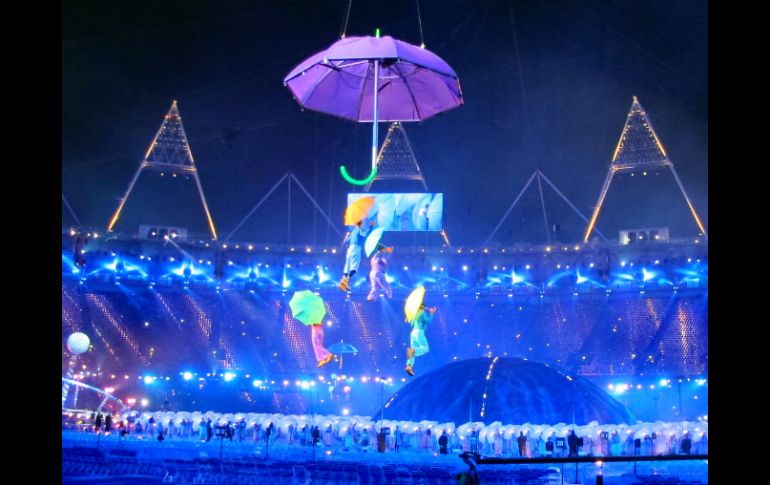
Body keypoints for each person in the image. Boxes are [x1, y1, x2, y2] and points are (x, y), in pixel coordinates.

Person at [338, 219, 373, 291]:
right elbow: (366, 234)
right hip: (356, 248)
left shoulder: (353, 232)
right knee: (354, 267)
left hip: (349, 249)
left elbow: (346, 241)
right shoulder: (360, 230)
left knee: (347, 267)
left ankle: (344, 283)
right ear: (361, 225)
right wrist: (371, 227)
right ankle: (346, 283)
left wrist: (347, 237)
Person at [405, 304, 437, 376]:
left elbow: (411, 323)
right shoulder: (422, 313)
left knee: (412, 354)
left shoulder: (414, 314)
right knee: (425, 349)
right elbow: (428, 321)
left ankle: (409, 366)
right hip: (419, 332)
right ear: (422, 307)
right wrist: (432, 313)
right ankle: (413, 351)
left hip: (413, 333)